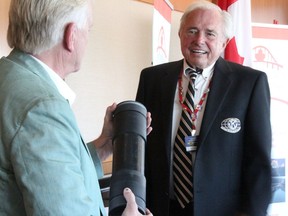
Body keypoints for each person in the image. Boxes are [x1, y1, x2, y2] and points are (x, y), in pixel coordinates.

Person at [0, 0, 152, 216]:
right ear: (71, 36)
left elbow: (36, 167)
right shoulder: (43, 107)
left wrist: (103, 145)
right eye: (88, 29)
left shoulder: (8, 76)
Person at [136, 1, 272, 216]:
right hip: (160, 208)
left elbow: (259, 163)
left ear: (224, 42)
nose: (199, 40)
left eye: (210, 33)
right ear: (180, 34)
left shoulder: (249, 83)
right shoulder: (152, 79)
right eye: (192, 30)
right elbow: (139, 150)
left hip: (222, 210)